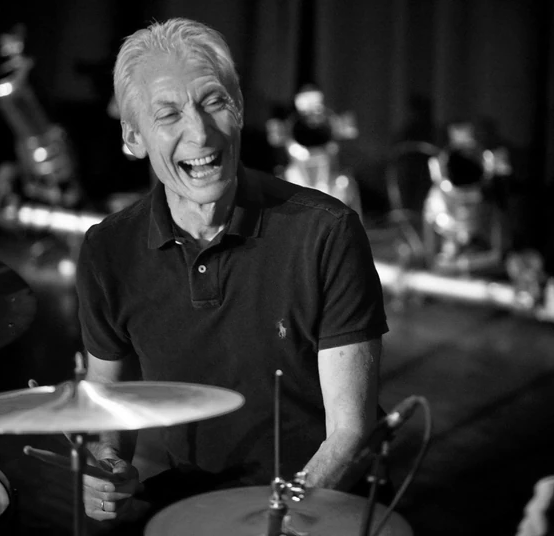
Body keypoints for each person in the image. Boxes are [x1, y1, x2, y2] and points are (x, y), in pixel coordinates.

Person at [74, 17, 388, 532]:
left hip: (320, 503)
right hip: (194, 500)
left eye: (214, 102)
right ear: (133, 136)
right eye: (169, 114)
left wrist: (278, 519)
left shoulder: (326, 232)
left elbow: (350, 435)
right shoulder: (107, 249)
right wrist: (105, 466)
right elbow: (110, 399)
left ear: (239, 109)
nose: (200, 133)